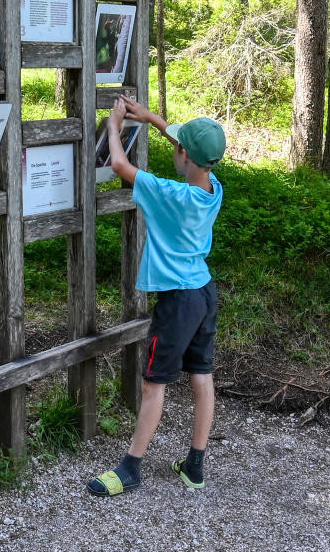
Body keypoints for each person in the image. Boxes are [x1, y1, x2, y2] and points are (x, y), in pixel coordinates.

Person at [85, 95, 226, 498]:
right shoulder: (212, 189)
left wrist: (115, 127)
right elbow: (188, 149)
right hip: (203, 293)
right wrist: (151, 119)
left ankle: (130, 468)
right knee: (201, 376)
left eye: (178, 145)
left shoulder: (172, 196)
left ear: (183, 155)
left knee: (153, 383)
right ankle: (195, 465)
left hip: (178, 302)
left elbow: (119, 166)